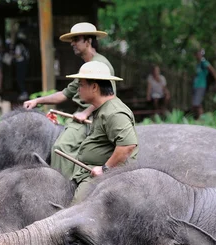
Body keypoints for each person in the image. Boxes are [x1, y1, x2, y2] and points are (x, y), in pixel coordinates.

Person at [23, 22, 116, 179]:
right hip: (81, 116)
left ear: (88, 41)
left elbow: (108, 96)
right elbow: (65, 94)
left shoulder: (101, 64)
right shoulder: (87, 66)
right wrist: (37, 101)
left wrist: (86, 113)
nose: (72, 43)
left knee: (61, 147)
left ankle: (64, 188)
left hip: (95, 118)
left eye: (76, 39)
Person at [62, 61, 138, 202]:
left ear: (95, 87)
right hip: (91, 171)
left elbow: (127, 146)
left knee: (75, 210)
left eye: (81, 85)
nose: (78, 90)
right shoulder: (103, 108)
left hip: (108, 176)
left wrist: (105, 169)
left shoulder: (114, 112)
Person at [192, 48, 216, 119]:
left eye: (198, 54)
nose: (197, 56)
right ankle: (199, 118)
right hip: (196, 86)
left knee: (197, 103)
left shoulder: (204, 62)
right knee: (196, 103)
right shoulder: (198, 65)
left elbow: (213, 71)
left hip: (201, 85)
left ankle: (201, 119)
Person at [14, 32, 30, 101]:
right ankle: (24, 93)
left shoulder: (18, 46)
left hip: (20, 63)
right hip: (25, 63)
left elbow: (18, 55)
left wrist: (12, 56)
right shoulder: (25, 46)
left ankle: (23, 93)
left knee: (20, 78)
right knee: (22, 78)